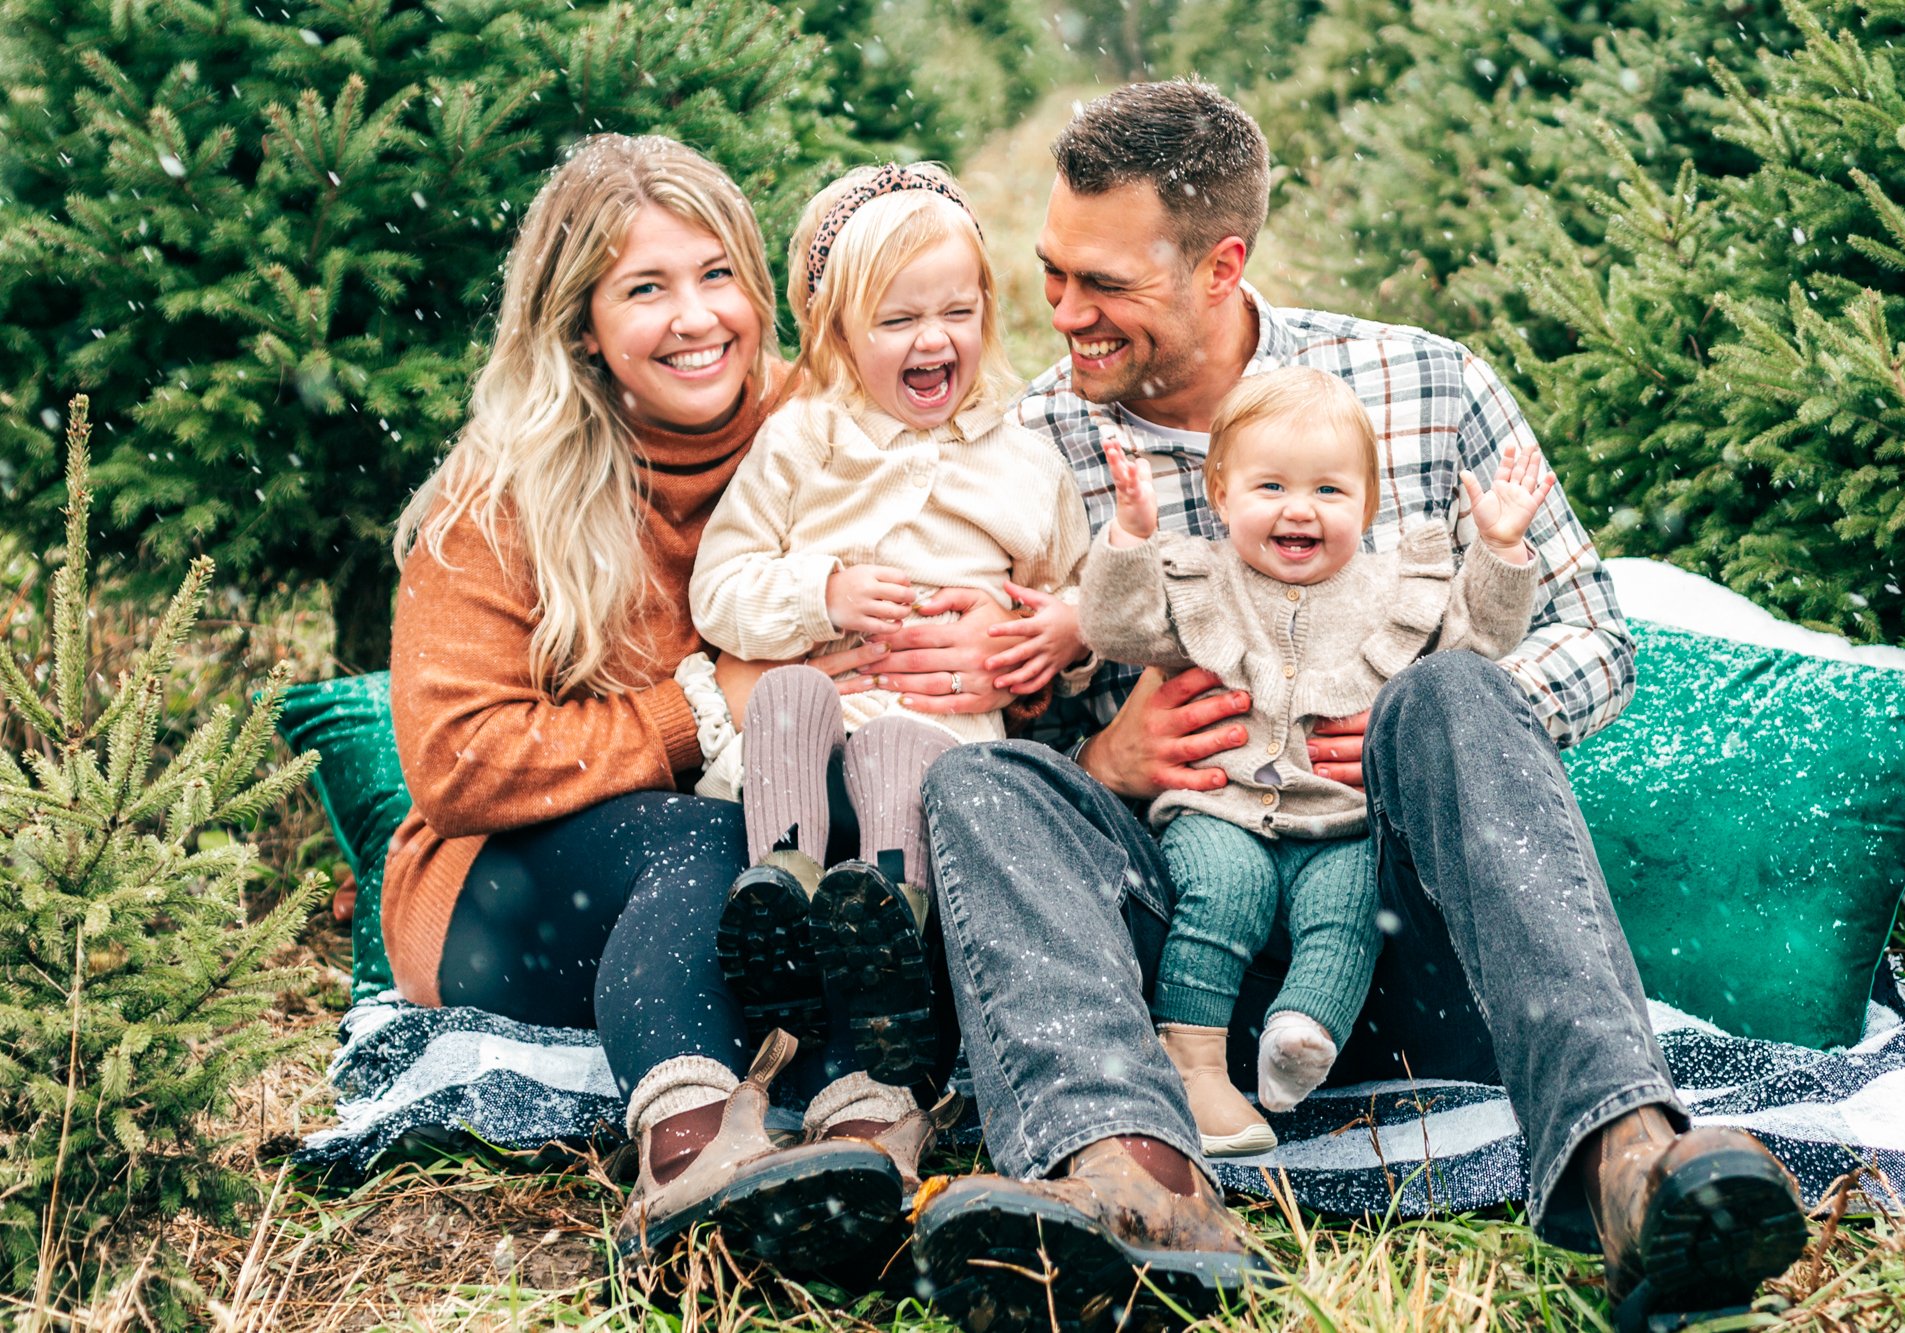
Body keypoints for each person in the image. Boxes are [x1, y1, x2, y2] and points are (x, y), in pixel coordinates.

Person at [909, 81, 1809, 1331]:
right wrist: (1104, 754)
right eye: (1052, 274)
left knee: (1451, 687)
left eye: (1102, 284)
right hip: (1175, 944)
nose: (1062, 314)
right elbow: (985, 693)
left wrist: (1411, 723)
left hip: (1394, 910)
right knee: (978, 784)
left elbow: (1592, 639)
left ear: (1220, 265)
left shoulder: (1424, 387)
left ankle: (1625, 1165)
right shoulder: (1023, 448)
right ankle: (1130, 1186)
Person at [381, 134, 993, 1288]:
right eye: (645, 288)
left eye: (716, 275)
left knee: (874, 851)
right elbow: (457, 762)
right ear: (581, 324)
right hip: (518, 896)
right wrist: (705, 704)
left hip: (778, 855)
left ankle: (866, 1138)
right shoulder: (502, 494)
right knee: (710, 840)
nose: (695, 317)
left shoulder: (827, 440)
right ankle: (692, 1162)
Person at [687, 162, 1090, 1087]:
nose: (933, 339)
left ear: (988, 310)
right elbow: (721, 587)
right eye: (898, 320)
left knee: (903, 749)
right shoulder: (801, 443)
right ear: (836, 333)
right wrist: (822, 593)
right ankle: (777, 896)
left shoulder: (1022, 460)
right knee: (786, 694)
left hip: (938, 733)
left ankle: (889, 925)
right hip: (800, 741)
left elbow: (1072, 596)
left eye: (956, 312)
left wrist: (1054, 636)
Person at [1081, 365, 1550, 1158]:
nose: (1300, 508)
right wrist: (1129, 534)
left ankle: (1302, 1035)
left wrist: (1500, 547)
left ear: (1367, 508)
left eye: (1330, 492)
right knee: (1225, 889)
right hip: (1220, 809)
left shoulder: (1393, 589)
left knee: (1350, 905)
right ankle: (1193, 1064)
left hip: (1338, 821)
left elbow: (1480, 641)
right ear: (1221, 496)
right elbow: (1115, 627)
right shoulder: (1202, 580)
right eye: (1271, 486)